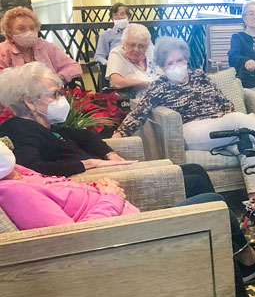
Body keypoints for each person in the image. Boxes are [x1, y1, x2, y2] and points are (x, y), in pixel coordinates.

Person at [0, 141, 255, 297]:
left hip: (130, 227)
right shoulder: (13, 192)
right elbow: (71, 241)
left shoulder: (19, 173)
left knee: (208, 198)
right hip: (124, 245)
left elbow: (64, 191)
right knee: (212, 206)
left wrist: (98, 187)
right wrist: (111, 197)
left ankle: (247, 265)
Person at [0, 61, 216, 197]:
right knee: (195, 179)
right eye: (54, 94)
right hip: (98, 185)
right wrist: (89, 163)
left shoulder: (47, 126)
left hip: (109, 171)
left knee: (195, 169)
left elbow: (84, 136)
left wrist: (109, 154)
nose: (61, 98)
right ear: (29, 102)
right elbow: (33, 168)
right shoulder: (22, 130)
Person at [114, 37, 255, 195]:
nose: (176, 65)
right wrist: (119, 135)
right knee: (242, 120)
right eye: (169, 63)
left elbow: (223, 101)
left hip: (221, 126)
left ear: (186, 59)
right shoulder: (160, 85)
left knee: (246, 145)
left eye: (179, 60)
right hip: (193, 131)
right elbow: (138, 113)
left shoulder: (199, 76)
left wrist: (225, 114)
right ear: (162, 67)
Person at [0, 6, 82, 83]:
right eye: (21, 29)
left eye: (32, 28)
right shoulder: (2, 51)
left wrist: (57, 77)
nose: (28, 32)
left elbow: (74, 67)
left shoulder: (45, 46)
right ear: (9, 33)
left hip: (51, 95)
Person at [106, 23, 156, 95]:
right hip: (133, 99)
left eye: (142, 46)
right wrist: (143, 83)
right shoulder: (117, 53)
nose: (136, 49)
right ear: (123, 43)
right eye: (132, 45)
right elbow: (116, 82)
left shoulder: (151, 51)